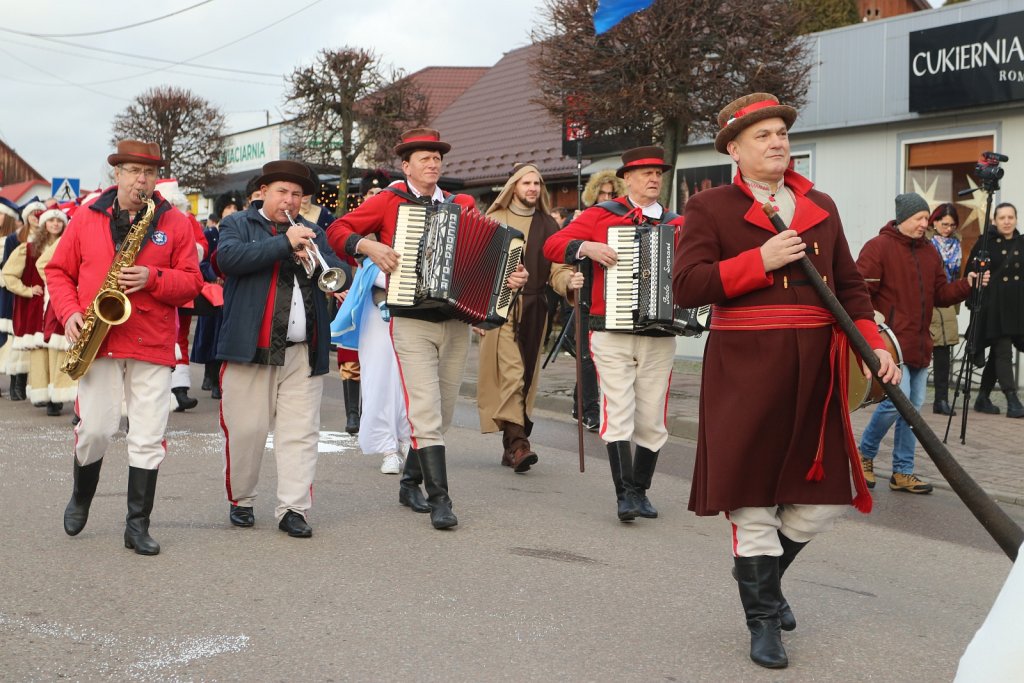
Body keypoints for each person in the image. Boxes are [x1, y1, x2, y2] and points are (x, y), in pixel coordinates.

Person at [673, 93, 900, 669]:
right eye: (762, 136)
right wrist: (762, 259)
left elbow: (850, 288)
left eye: (780, 132)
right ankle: (764, 622)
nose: (777, 142)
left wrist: (872, 346)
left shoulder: (820, 204)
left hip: (816, 369)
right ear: (734, 149)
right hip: (744, 367)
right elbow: (689, 286)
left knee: (822, 500)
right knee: (752, 501)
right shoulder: (711, 208)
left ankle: (763, 578)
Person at [327, 127, 528, 530]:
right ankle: (441, 501)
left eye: (437, 158)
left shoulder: (463, 204)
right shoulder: (389, 202)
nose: (433, 163)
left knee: (445, 410)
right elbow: (337, 230)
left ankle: (409, 481)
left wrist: (510, 278)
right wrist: (368, 247)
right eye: (424, 158)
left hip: (455, 321)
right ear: (407, 166)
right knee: (425, 408)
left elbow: (486, 258)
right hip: (410, 320)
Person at [46, 139, 204, 556]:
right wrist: (69, 313)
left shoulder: (175, 222)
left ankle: (137, 526)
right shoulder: (86, 216)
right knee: (96, 429)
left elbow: (192, 281)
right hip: (99, 337)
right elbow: (58, 272)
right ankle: (81, 496)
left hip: (151, 340)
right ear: (116, 174)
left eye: (149, 173)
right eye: (133, 171)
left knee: (148, 436)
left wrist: (152, 278)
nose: (141, 179)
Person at [544, 146, 682, 523]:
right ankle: (624, 495)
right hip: (611, 329)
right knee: (617, 410)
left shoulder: (677, 224)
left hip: (660, 332)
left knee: (653, 417)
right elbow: (552, 246)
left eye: (658, 173)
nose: (653, 179)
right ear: (628, 178)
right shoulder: (601, 216)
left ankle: (641, 490)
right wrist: (585, 246)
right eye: (645, 173)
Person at [216, 160, 350, 538]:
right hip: (250, 348)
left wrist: (321, 265)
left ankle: (294, 508)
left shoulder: (313, 232)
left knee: (301, 433)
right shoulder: (237, 225)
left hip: (302, 351)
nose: (289, 200)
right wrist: (283, 244)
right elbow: (229, 260)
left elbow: (340, 270)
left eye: (296, 194)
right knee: (248, 430)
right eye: (282, 192)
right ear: (263, 192)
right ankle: (242, 499)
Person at [857, 192, 981, 495]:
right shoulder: (878, 247)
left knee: (912, 409)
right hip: (891, 345)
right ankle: (863, 454)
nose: (925, 224)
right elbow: (857, 287)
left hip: (921, 342)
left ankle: (903, 471)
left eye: (926, 219)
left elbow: (941, 294)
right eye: (919, 219)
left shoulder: (929, 253)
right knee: (893, 406)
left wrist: (967, 284)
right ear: (903, 219)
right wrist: (869, 314)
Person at [477, 164, 575, 472]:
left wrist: (568, 282)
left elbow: (558, 270)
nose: (532, 187)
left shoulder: (549, 225)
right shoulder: (494, 220)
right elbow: (477, 267)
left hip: (536, 309)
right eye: (526, 182)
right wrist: (477, 312)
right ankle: (520, 445)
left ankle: (512, 447)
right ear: (513, 187)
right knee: (513, 373)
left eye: (537, 183)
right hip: (501, 309)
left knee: (527, 378)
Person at [563, 170, 628, 431]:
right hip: (583, 289)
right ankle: (586, 407)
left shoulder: (618, 219)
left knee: (588, 353)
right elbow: (563, 249)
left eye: (612, 193)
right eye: (602, 193)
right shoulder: (585, 218)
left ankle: (584, 405)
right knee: (581, 349)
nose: (607, 197)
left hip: (607, 293)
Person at [2, 206, 75, 415]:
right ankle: (43, 395)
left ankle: (57, 398)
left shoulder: (68, 245)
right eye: (51, 221)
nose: (55, 224)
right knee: (40, 355)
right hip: (36, 308)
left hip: (58, 304)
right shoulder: (29, 248)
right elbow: (8, 274)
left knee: (58, 352)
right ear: (44, 224)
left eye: (58, 221)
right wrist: (25, 290)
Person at [966, 202, 1024, 418]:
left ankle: (982, 397)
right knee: (1004, 350)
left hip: (1016, 307)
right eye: (1002, 218)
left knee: (998, 354)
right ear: (994, 221)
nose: (1007, 221)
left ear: (1016, 219)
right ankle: (1012, 399)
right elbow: (971, 273)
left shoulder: (1021, 242)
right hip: (993, 308)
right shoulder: (984, 243)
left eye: (1011, 217)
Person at [191, 191, 243, 399]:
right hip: (214, 291)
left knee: (225, 335)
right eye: (228, 208)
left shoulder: (240, 231)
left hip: (231, 291)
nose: (231, 211)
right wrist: (213, 276)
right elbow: (202, 260)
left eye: (234, 208)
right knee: (210, 335)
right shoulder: (211, 233)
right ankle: (209, 375)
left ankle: (219, 379)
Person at [1, 198, 45, 400]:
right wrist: (22, 289)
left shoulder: (49, 238)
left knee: (35, 340)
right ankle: (15, 385)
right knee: (18, 339)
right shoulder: (16, 239)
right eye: (32, 213)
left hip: (41, 297)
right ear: (26, 216)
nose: (36, 217)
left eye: (39, 213)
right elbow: (8, 270)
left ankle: (30, 384)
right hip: (19, 295)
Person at [928, 203, 963, 416]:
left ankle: (941, 399)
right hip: (928, 300)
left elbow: (957, 275)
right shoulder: (926, 243)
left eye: (951, 225)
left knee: (944, 353)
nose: (947, 228)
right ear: (935, 221)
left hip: (948, 301)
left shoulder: (957, 244)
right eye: (944, 224)